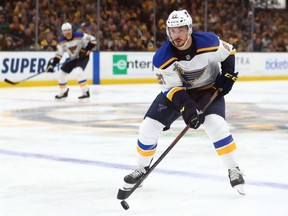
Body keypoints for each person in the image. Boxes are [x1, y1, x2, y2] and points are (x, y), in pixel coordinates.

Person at [122, 10, 245, 195]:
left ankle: (234, 168)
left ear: (189, 29)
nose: (176, 35)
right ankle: (141, 168)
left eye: (181, 30)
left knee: (216, 125)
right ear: (167, 32)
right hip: (178, 92)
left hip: (208, 90)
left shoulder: (209, 42)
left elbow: (229, 52)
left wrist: (227, 73)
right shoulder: (162, 58)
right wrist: (187, 107)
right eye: (173, 31)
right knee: (148, 127)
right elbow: (172, 89)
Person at [46, 22, 97, 99]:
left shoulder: (80, 35)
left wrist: (85, 50)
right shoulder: (61, 42)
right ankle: (63, 92)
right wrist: (52, 65)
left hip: (83, 57)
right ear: (63, 32)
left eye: (69, 30)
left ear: (72, 30)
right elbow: (59, 55)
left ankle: (85, 92)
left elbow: (93, 40)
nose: (68, 32)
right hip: (72, 58)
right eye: (65, 30)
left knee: (78, 71)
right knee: (61, 74)